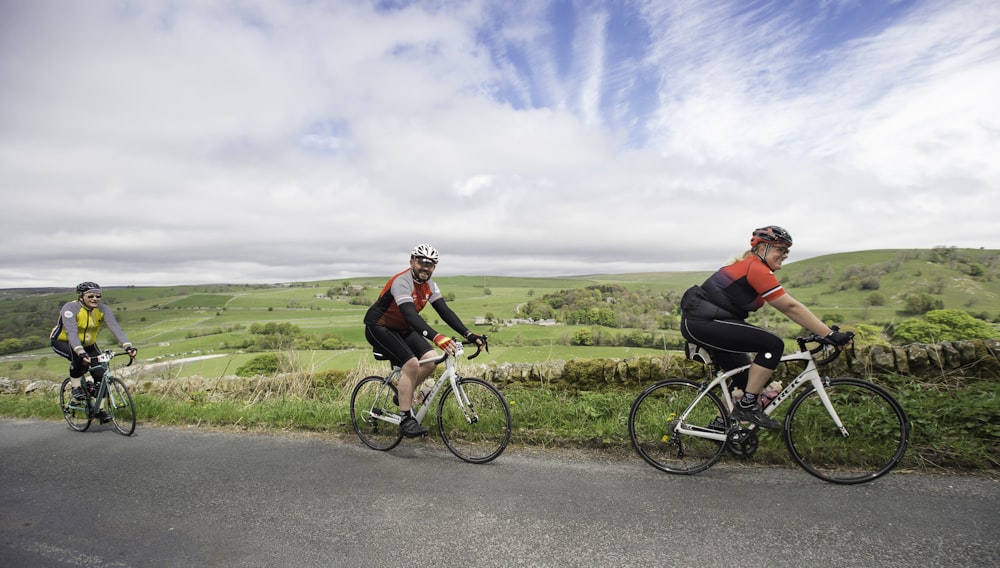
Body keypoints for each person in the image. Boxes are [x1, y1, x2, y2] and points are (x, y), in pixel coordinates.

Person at [679, 226, 852, 429]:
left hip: (709, 323)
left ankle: (720, 426)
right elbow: (790, 307)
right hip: (704, 323)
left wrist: (821, 332)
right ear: (763, 247)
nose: (785, 255)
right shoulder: (755, 268)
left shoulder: (753, 267)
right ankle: (747, 407)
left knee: (746, 379)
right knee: (773, 345)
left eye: (787, 251)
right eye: (781, 249)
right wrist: (829, 334)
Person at [364, 244, 485, 437]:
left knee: (431, 359)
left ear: (434, 267)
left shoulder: (430, 285)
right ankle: (405, 419)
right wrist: (437, 337)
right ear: (412, 261)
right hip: (380, 326)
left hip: (402, 328)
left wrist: (469, 334)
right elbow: (411, 315)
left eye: (430, 264)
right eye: (421, 262)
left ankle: (402, 395)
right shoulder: (401, 282)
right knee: (411, 364)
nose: (425, 267)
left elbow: (445, 312)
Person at [51, 282, 137, 423]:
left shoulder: (103, 309)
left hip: (89, 345)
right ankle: (76, 388)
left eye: (98, 296)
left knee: (100, 375)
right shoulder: (70, 308)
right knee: (78, 359)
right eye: (90, 296)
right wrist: (80, 352)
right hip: (63, 341)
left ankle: (100, 410)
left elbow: (114, 327)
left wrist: (128, 346)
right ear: (81, 296)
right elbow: (71, 332)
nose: (95, 299)